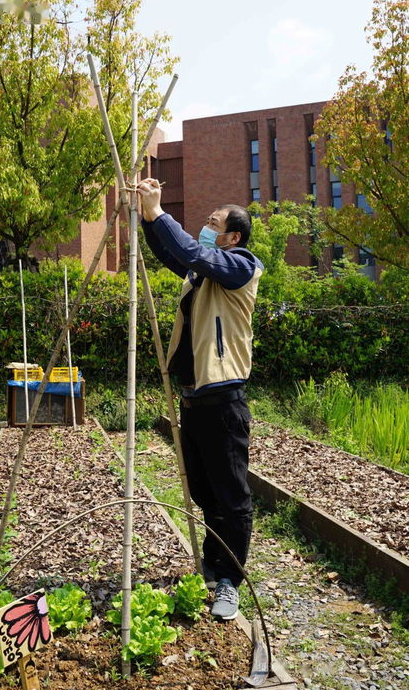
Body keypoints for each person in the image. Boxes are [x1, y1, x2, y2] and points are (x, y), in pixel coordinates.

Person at [137, 178, 264, 620]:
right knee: (204, 490)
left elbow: (193, 251)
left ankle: (230, 581)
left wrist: (159, 213)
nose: (205, 229)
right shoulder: (204, 272)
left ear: (233, 237)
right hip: (193, 402)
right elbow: (173, 254)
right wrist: (144, 216)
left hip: (224, 401)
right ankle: (214, 562)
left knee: (232, 496)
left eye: (213, 224)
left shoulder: (241, 267)